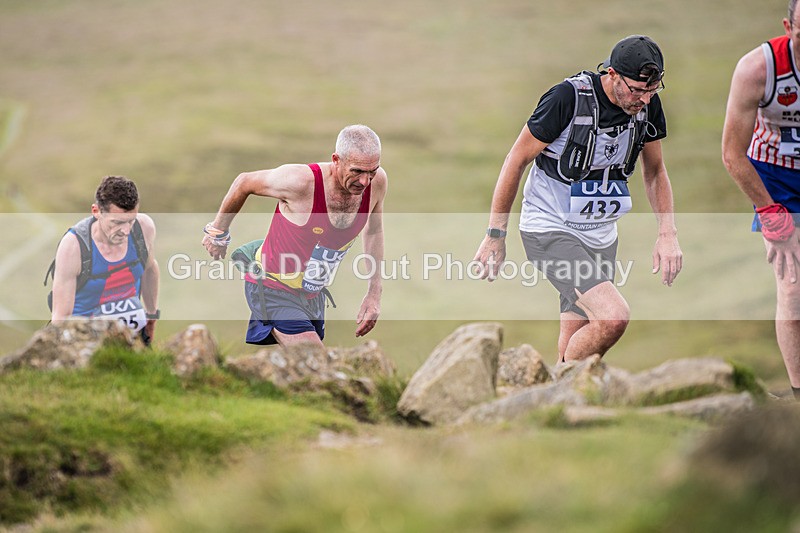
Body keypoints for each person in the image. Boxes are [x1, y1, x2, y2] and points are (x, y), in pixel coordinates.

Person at [474, 35, 682, 363]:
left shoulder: (646, 107)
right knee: (613, 317)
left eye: (652, 90)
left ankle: (558, 401)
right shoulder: (567, 99)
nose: (643, 99)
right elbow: (516, 159)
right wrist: (495, 234)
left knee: (579, 334)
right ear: (611, 74)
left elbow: (655, 172)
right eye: (636, 90)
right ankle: (561, 388)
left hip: (600, 235)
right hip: (550, 228)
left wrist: (667, 234)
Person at [202, 124, 387, 347]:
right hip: (272, 287)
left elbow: (374, 230)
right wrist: (218, 233)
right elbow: (244, 182)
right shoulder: (300, 182)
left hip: (313, 294)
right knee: (315, 359)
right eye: (357, 171)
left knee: (304, 369)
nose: (365, 181)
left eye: (372, 171)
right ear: (336, 160)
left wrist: (374, 293)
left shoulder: (377, 183)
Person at [722, 0, 800, 399]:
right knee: (792, 286)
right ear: (789, 26)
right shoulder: (758, 69)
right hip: (777, 181)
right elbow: (732, 153)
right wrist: (770, 212)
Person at [50, 176, 160, 344]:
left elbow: (150, 269)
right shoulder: (73, 246)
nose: (125, 231)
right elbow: (61, 317)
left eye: (130, 221)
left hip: (132, 334)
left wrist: (151, 316)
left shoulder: (144, 227)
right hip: (86, 341)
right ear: (96, 212)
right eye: (116, 222)